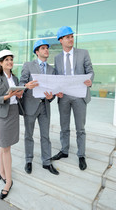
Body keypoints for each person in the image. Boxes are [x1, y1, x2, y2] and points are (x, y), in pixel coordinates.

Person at [0, 49, 35, 200]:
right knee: (5, 147)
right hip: (2, 114)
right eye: (6, 59)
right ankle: (8, 182)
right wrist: (8, 96)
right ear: (0, 63)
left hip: (14, 113)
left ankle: (1, 171)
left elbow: (18, 95)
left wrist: (21, 92)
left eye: (11, 59)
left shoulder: (14, 78)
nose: (10, 62)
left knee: (4, 146)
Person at [51, 26, 94, 170]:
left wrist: (90, 80)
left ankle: (81, 154)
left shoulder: (83, 53)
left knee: (80, 128)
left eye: (72, 36)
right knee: (64, 127)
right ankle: (64, 150)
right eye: (67, 37)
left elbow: (90, 71)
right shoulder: (57, 58)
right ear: (61, 40)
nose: (71, 39)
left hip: (79, 95)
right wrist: (57, 91)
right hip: (63, 97)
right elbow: (57, 78)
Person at [19, 39, 59, 175]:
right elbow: (21, 84)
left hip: (45, 106)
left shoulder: (52, 70)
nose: (46, 50)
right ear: (37, 52)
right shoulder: (28, 65)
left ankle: (47, 162)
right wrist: (26, 86)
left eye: (47, 48)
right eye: (43, 48)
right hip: (30, 105)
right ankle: (28, 160)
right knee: (29, 135)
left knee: (45, 136)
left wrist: (51, 97)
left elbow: (53, 90)